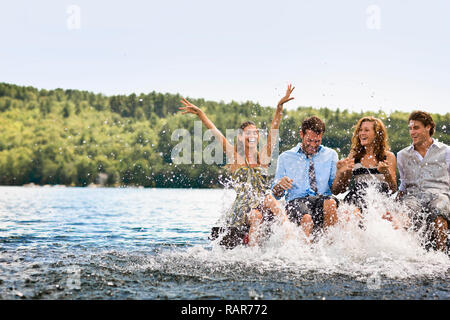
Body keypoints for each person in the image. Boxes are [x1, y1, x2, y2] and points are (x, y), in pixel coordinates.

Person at [179, 84, 295, 247]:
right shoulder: (235, 157)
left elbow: (274, 128)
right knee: (257, 214)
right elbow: (215, 132)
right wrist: (201, 114)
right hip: (243, 208)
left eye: (255, 132)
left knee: (265, 202)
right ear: (240, 137)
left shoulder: (264, 156)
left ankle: (290, 242)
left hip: (263, 202)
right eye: (249, 133)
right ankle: (253, 253)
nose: (253, 135)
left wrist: (279, 106)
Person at [271, 116, 339, 240]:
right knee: (307, 218)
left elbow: (336, 189)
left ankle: (330, 248)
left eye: (317, 141)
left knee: (331, 203)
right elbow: (276, 195)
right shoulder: (285, 157)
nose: (313, 145)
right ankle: (305, 257)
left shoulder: (331, 155)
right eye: (309, 140)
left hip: (322, 199)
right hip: (296, 201)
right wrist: (280, 185)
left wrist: (343, 172)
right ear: (301, 134)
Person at [397, 111, 450, 252]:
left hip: (439, 195)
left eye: (416, 127)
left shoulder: (446, 151)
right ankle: (408, 255)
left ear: (428, 127)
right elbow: (403, 184)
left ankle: (441, 256)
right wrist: (395, 203)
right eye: (410, 128)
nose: (412, 132)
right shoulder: (402, 155)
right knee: (405, 212)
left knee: (439, 210)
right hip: (413, 197)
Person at [331, 117, 397, 216]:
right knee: (352, 213)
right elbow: (340, 190)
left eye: (366, 130)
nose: (362, 133)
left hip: (379, 197)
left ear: (377, 134)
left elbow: (393, 189)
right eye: (360, 130)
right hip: (357, 195)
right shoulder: (353, 156)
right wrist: (342, 172)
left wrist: (386, 172)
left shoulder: (388, 157)